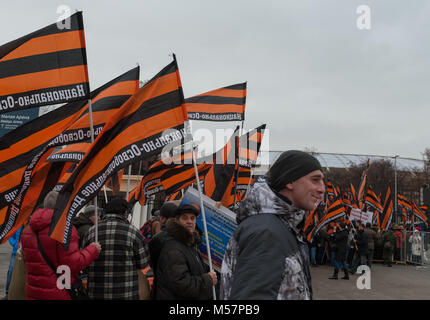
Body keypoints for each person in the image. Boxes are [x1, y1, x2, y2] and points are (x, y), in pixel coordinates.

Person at [220, 150, 325, 300]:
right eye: (315, 180)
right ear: (290, 181)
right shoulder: (266, 232)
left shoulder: (278, 225)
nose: (322, 189)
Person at [21, 191, 101, 300]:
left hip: (33, 291)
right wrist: (93, 250)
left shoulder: (27, 231)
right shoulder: (64, 230)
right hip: (58, 292)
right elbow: (73, 264)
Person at [83, 197, 150, 299]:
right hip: (125, 294)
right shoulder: (133, 232)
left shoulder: (92, 232)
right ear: (125, 213)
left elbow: (83, 263)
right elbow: (143, 263)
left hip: (96, 293)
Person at [155, 204, 217, 300]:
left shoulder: (190, 243)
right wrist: (208, 279)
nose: (189, 222)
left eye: (192, 218)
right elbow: (181, 284)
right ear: (176, 221)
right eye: (185, 218)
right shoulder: (173, 249)